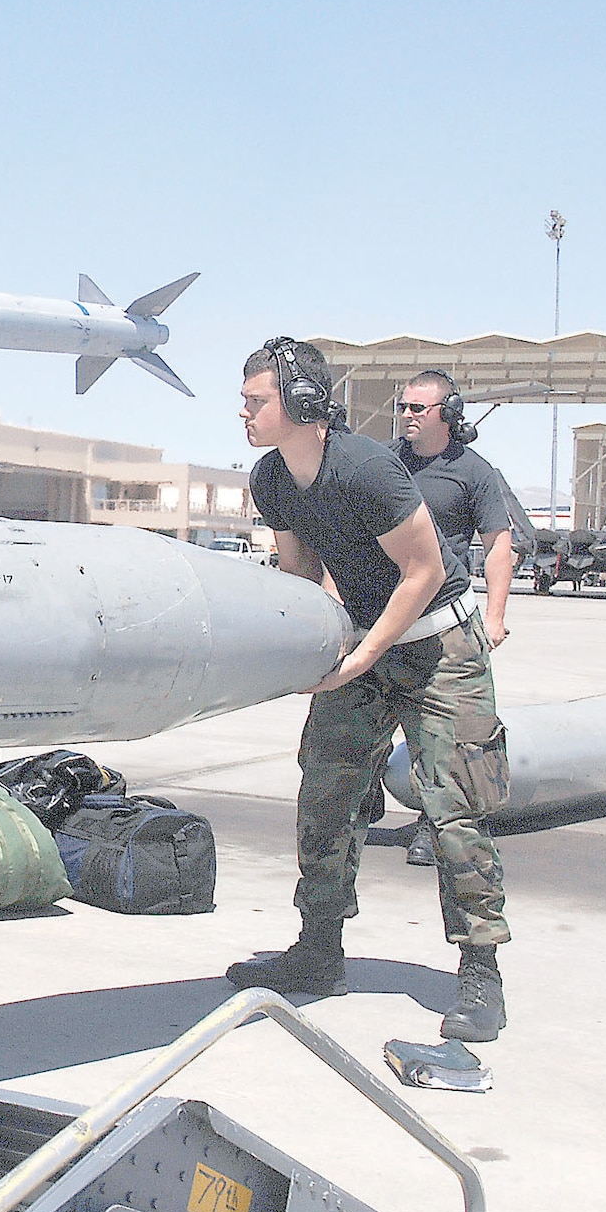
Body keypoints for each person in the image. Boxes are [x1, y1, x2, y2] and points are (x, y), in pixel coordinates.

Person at [227, 338, 513, 1043]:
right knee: (325, 791)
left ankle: (480, 968)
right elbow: (298, 572)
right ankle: (319, 949)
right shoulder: (271, 478)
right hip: (363, 645)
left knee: (454, 807)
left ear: (300, 403)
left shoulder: (366, 468)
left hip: (440, 643)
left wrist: (363, 656)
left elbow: (421, 571)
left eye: (256, 399)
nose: (243, 412)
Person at [387, 369, 516, 867]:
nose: (406, 416)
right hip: (379, 618)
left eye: (418, 408)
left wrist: (496, 614)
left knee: (442, 742)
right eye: (404, 406)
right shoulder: (385, 463)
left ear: (449, 413)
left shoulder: (474, 472)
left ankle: (430, 825)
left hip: (439, 624)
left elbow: (497, 545)